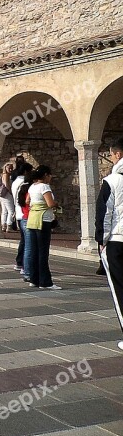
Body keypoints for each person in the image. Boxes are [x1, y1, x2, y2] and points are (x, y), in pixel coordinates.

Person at [96, 137, 123, 351]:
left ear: (118, 155)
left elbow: (104, 214)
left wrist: (101, 242)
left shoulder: (112, 181)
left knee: (120, 290)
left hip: (117, 241)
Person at [26, 165, 60, 290]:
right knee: (43, 252)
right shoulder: (44, 187)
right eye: (50, 175)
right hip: (43, 220)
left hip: (32, 220)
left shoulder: (32, 186)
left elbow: (27, 201)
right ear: (46, 175)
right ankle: (45, 282)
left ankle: (34, 279)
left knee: (34, 251)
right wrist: (56, 204)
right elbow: (50, 203)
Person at [11, 163, 34, 273]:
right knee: (27, 242)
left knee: (24, 240)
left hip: (19, 213)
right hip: (25, 213)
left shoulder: (15, 181)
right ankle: (23, 264)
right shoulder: (24, 183)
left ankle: (21, 262)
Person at [0, 162, 15, 233]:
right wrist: (11, 192)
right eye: (9, 168)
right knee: (11, 210)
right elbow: (6, 184)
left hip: (2, 195)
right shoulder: (6, 175)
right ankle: (9, 225)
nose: (11, 170)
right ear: (5, 168)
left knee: (4, 211)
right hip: (7, 194)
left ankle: (4, 225)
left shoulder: (4, 175)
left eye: (12, 168)